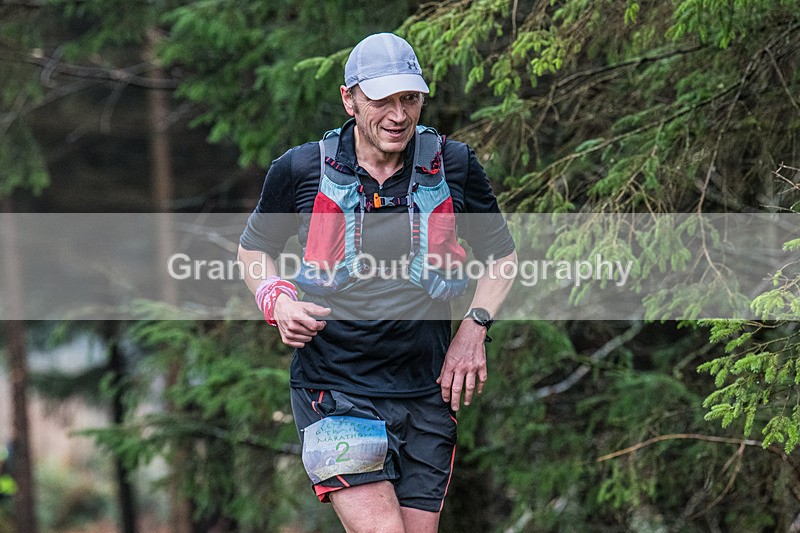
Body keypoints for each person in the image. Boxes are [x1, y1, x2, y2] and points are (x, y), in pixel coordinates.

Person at [238, 32, 517, 533]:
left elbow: (503, 256)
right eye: (381, 100)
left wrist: (474, 330)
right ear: (349, 99)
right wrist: (275, 299)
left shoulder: (452, 165)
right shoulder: (301, 168)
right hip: (334, 387)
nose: (398, 115)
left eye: (409, 98)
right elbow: (252, 248)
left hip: (427, 391)